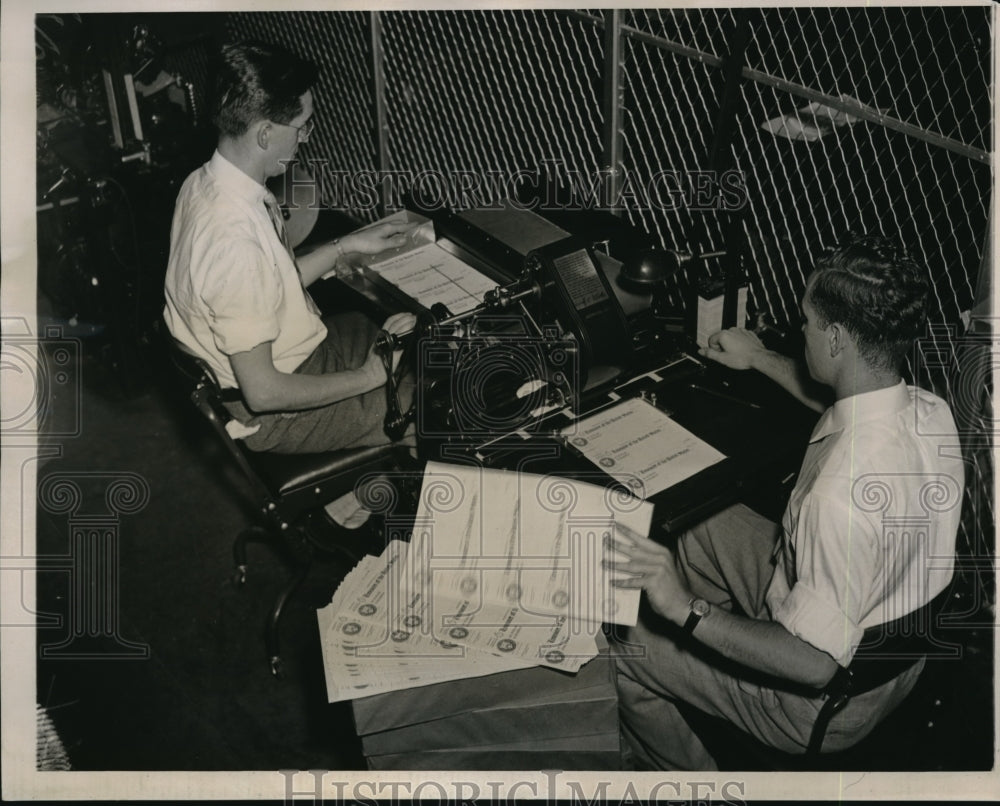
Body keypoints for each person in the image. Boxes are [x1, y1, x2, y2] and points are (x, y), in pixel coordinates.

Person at [609, 233, 965, 769]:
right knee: (698, 526)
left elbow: (815, 664)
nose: (801, 330)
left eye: (807, 321)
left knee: (625, 648)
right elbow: (834, 401)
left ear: (837, 339)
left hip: (822, 702)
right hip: (893, 652)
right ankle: (713, 655)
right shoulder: (927, 411)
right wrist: (757, 357)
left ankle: (692, 782)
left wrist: (685, 608)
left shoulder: (838, 499)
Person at [164, 40, 415, 454]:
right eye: (303, 127)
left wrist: (344, 245)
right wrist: (370, 376)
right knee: (436, 404)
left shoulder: (206, 183)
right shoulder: (233, 242)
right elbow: (264, 392)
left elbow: (272, 284)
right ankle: (360, 503)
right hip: (276, 413)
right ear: (265, 133)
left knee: (394, 337)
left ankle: (353, 500)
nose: (305, 140)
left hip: (291, 354)